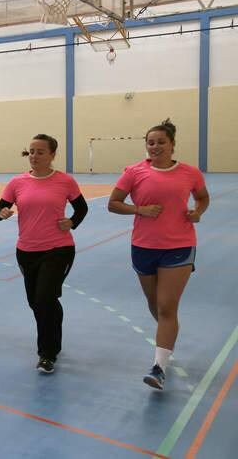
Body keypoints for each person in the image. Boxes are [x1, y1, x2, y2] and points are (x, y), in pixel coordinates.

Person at [107, 119, 209, 390]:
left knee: (166, 306)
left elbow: (202, 197)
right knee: (155, 305)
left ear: (172, 145)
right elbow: (113, 204)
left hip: (179, 246)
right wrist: (139, 210)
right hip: (143, 247)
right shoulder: (134, 172)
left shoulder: (190, 173)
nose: (155, 147)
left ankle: (159, 367)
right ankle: (168, 333)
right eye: (150, 142)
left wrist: (197, 212)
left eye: (161, 142)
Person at [0, 134, 88, 374]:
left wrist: (72, 222)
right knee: (37, 302)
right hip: (26, 251)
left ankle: (47, 354)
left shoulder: (65, 181)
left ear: (52, 155)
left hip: (59, 249)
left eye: (40, 152)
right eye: (31, 151)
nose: (34, 156)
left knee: (44, 298)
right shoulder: (17, 182)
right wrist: (1, 213)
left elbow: (81, 208)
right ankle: (53, 333)